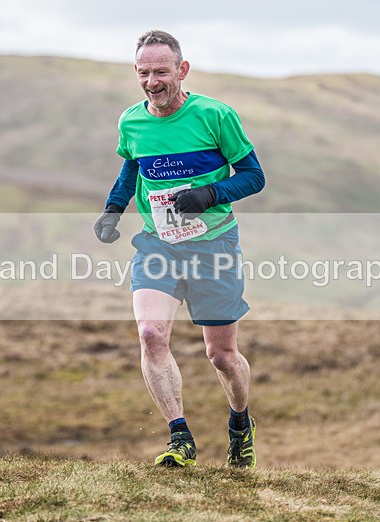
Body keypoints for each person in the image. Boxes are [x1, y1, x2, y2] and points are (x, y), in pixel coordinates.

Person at [94, 29, 265, 468]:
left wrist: (208, 195)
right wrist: (113, 209)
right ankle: (180, 438)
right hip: (159, 244)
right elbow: (132, 168)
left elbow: (253, 176)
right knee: (151, 334)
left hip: (214, 244)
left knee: (221, 356)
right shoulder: (131, 121)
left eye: (161, 72)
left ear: (182, 70)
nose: (153, 81)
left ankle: (240, 423)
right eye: (144, 73)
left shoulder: (214, 115)